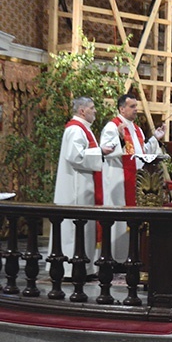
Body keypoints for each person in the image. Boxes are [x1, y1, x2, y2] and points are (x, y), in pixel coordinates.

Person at [48, 97, 115, 279]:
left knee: (83, 228)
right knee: (74, 228)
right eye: (92, 108)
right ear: (82, 111)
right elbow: (75, 156)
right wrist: (100, 151)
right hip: (75, 188)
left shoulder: (83, 129)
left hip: (83, 184)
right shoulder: (76, 129)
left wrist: (100, 151)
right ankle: (71, 268)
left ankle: (84, 267)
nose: (95, 111)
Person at [100, 94, 165, 264]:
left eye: (136, 106)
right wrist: (120, 138)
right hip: (118, 181)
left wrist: (155, 139)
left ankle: (130, 257)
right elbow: (105, 151)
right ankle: (115, 259)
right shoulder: (112, 127)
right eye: (132, 106)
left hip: (136, 181)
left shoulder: (136, 128)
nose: (136, 109)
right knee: (119, 221)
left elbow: (141, 152)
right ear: (122, 108)